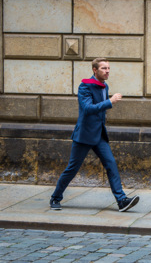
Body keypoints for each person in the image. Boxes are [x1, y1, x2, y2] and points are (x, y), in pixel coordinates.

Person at [49, 58, 139, 212]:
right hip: (84, 135)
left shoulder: (104, 85)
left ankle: (121, 200)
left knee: (111, 164)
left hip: (99, 136)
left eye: (109, 68)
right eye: (104, 68)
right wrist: (110, 102)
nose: (107, 71)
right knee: (72, 169)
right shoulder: (85, 86)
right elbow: (88, 108)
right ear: (95, 70)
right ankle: (55, 198)